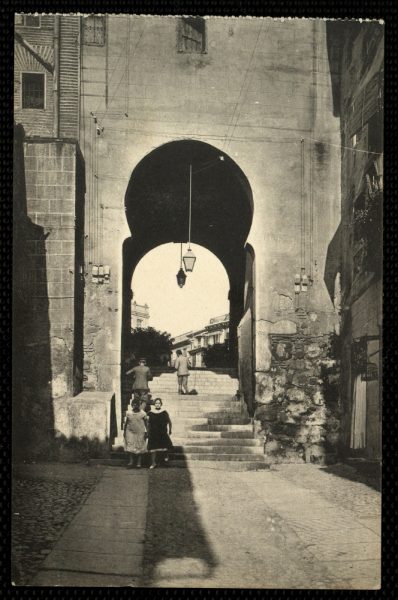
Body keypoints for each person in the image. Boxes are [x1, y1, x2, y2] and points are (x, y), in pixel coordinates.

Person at [147, 398, 173, 469]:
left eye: (159, 403)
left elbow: (169, 422)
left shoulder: (164, 412)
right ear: (154, 404)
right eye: (156, 403)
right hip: (153, 433)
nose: (157, 404)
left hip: (162, 432)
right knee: (153, 449)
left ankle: (165, 460)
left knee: (165, 446)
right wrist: (147, 431)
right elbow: (147, 423)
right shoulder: (150, 413)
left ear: (161, 404)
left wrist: (170, 430)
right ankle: (153, 463)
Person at [123, 399, 148, 468]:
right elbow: (126, 423)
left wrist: (147, 431)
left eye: (137, 404)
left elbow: (146, 423)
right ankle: (131, 462)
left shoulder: (143, 413)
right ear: (131, 405)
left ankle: (138, 463)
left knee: (139, 446)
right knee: (130, 446)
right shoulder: (128, 413)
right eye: (133, 404)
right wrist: (124, 432)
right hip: (130, 432)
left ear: (139, 405)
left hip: (140, 432)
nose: (135, 406)